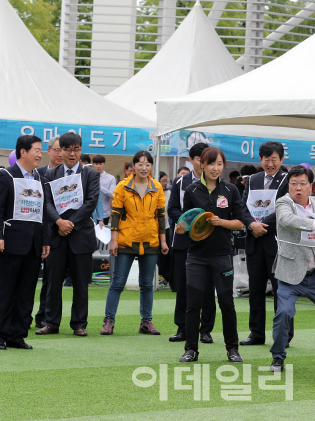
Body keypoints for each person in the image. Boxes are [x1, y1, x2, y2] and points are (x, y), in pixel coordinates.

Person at [268, 165, 315, 372]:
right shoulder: (283, 202)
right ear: (289, 186)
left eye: (302, 184)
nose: (298, 188)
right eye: (293, 184)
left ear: (311, 186)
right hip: (290, 272)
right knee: (283, 313)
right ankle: (277, 358)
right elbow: (287, 220)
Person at [176, 147, 244, 363]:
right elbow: (185, 222)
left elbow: (240, 222)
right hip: (196, 255)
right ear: (201, 165)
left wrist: (221, 222)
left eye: (220, 164)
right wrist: (180, 228)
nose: (215, 168)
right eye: (211, 164)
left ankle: (233, 349)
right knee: (193, 304)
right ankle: (191, 349)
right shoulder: (192, 190)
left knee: (227, 304)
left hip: (222, 255)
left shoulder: (231, 190)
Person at [0, 135, 50, 350]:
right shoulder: (5, 175)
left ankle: (17, 335)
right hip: (10, 240)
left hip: (33, 243)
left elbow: (42, 212)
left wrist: (44, 240)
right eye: (37, 150)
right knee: (4, 290)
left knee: (26, 292)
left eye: (42, 151)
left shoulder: (40, 178)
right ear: (23, 152)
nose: (41, 154)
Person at [36, 132, 99, 337]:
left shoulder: (90, 174)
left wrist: (71, 224)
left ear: (80, 150)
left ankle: (79, 324)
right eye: (68, 149)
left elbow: (91, 202)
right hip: (57, 235)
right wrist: (59, 222)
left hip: (80, 235)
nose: (72, 154)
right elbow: (46, 203)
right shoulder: (50, 174)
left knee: (81, 284)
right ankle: (51, 323)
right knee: (53, 283)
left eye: (76, 149)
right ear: (59, 151)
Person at [102, 150, 168, 336]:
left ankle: (146, 322)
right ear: (133, 166)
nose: (144, 168)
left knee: (147, 284)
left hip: (150, 241)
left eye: (148, 164)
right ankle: (109, 321)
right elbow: (115, 215)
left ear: (151, 167)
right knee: (117, 283)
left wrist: (163, 241)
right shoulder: (122, 187)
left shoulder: (157, 187)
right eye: (140, 164)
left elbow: (161, 216)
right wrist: (113, 240)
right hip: (126, 240)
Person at [240, 141, 294, 346]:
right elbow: (242, 206)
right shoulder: (253, 179)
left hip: (277, 242)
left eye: (274, 159)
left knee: (282, 290)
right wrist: (251, 224)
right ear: (260, 160)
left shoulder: (288, 180)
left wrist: (261, 224)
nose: (270, 164)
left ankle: (284, 335)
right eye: (266, 159)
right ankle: (256, 333)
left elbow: (286, 208)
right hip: (254, 241)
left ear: (281, 159)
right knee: (255, 289)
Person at [167, 142, 216, 344]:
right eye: (200, 160)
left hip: (208, 241)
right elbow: (172, 209)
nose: (204, 164)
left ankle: (205, 330)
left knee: (207, 287)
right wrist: (188, 223)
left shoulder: (215, 183)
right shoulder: (180, 182)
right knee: (183, 286)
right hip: (184, 241)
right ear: (193, 160)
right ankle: (183, 328)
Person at [33, 137, 64, 328]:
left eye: (63, 150)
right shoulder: (38, 173)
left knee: (52, 278)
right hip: (41, 229)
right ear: (49, 151)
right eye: (57, 150)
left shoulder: (69, 176)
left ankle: (45, 315)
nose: (60, 153)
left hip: (63, 231)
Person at [92, 154, 116, 225]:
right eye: (96, 164)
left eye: (100, 164)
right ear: (93, 164)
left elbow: (113, 195)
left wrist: (100, 187)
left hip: (104, 213)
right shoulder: (89, 176)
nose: (98, 166)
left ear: (104, 164)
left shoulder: (110, 178)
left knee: (102, 234)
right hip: (90, 212)